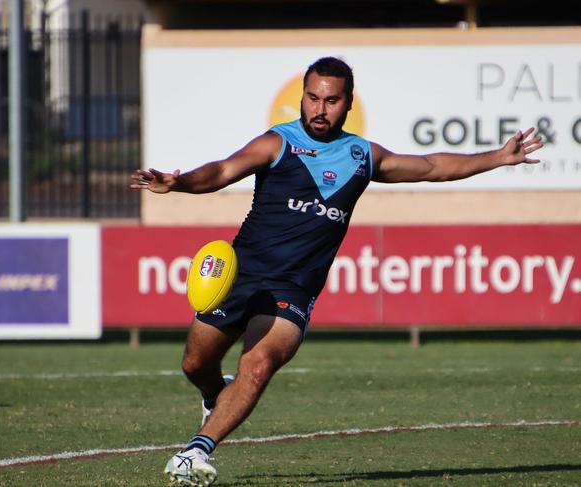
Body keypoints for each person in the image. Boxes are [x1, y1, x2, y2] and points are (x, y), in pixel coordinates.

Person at [130, 56, 543, 486]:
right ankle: (216, 394)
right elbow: (221, 172)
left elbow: (432, 167)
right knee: (195, 364)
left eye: (331, 100)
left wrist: (497, 157)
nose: (319, 108)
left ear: (347, 104)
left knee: (259, 364)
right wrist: (178, 183)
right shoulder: (279, 142)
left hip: (293, 290)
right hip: (240, 278)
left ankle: (196, 451)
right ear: (302, 98)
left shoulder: (361, 155)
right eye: (312, 98)